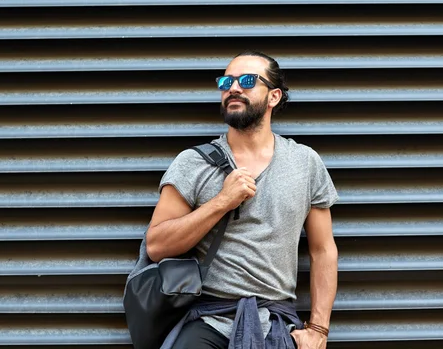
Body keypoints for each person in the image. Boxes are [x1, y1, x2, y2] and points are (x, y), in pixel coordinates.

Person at [145, 50, 339, 349]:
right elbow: (157, 246)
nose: (233, 88)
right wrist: (222, 201)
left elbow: (323, 250)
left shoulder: (305, 162)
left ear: (273, 97)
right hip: (208, 318)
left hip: (275, 322)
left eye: (247, 80)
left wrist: (318, 330)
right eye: (226, 82)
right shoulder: (192, 163)